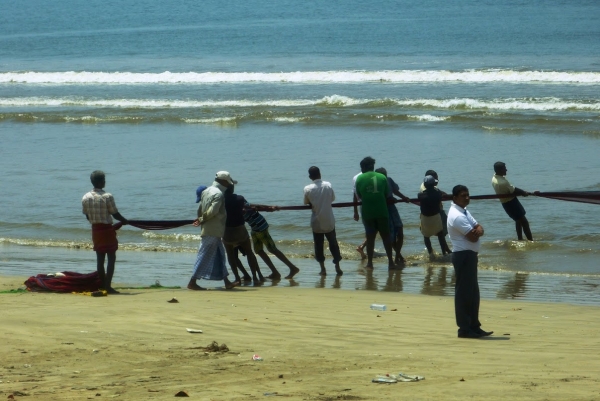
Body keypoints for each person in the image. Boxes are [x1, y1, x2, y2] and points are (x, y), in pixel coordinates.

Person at [447, 184, 493, 339]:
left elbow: (479, 228)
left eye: (468, 195)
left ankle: (474, 325)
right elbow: (472, 235)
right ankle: (464, 329)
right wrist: (477, 231)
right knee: (464, 293)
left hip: (470, 254)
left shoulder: (464, 211)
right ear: (455, 198)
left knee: (473, 293)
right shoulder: (457, 215)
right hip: (463, 255)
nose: (467, 198)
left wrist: (478, 230)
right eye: (463, 196)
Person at [188, 171, 238, 291]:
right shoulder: (219, 194)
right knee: (204, 255)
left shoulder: (206, 191)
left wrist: (200, 220)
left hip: (209, 229)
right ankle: (192, 282)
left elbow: (200, 209)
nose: (228, 185)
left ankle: (227, 282)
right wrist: (201, 219)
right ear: (223, 181)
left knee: (220, 255)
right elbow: (213, 211)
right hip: (213, 230)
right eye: (228, 182)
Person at [82, 170, 129, 294]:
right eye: (104, 180)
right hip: (107, 230)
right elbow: (115, 214)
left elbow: (87, 216)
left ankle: (103, 285)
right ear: (101, 182)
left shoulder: (86, 197)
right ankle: (108, 286)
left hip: (96, 231)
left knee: (100, 258)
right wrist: (125, 220)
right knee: (111, 258)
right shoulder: (107, 196)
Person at [354, 157, 395, 270]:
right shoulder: (382, 177)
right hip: (382, 211)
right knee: (386, 237)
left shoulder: (359, 178)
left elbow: (359, 195)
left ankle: (370, 264)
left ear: (365, 167)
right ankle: (391, 263)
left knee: (370, 237)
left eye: (362, 167)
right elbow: (387, 194)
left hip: (368, 212)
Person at [243, 201, 300, 280]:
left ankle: (292, 268)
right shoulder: (236, 201)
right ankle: (275, 272)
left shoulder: (238, 200)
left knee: (272, 249)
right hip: (254, 227)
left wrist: (268, 207)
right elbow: (255, 207)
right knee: (258, 250)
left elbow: (256, 206)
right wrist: (268, 208)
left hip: (260, 226)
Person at [304, 166, 343, 276]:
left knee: (318, 245)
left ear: (310, 176)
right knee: (333, 244)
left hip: (317, 221)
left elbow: (306, 202)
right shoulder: (328, 185)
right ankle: (337, 266)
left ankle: (323, 269)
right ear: (320, 174)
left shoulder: (307, 189)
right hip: (329, 220)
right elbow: (332, 198)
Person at [223, 184, 265, 285]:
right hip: (240, 229)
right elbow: (246, 207)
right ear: (233, 189)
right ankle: (255, 277)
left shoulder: (221, 200)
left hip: (227, 230)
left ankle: (237, 278)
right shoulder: (240, 198)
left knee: (231, 255)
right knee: (249, 253)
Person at [375, 167, 410, 264]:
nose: (384, 177)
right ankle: (398, 257)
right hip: (384, 209)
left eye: (385, 175)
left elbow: (395, 190)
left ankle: (398, 255)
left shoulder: (389, 180)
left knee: (400, 231)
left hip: (392, 208)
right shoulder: (376, 184)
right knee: (391, 235)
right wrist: (388, 200)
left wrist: (404, 198)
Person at [491, 162, 533, 241]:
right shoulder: (502, 182)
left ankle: (520, 239)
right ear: (500, 170)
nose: (506, 170)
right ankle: (531, 241)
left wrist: (523, 192)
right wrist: (524, 193)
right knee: (524, 222)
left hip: (506, 202)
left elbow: (511, 190)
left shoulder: (495, 178)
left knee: (518, 220)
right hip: (511, 203)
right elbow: (513, 191)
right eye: (504, 168)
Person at [418, 175, 451, 256]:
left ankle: (430, 253)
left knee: (426, 236)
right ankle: (444, 253)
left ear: (424, 185)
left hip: (425, 218)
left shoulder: (420, 195)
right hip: (435, 217)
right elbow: (442, 195)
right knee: (440, 235)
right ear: (434, 184)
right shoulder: (438, 194)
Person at [419, 169, 449, 237]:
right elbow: (441, 194)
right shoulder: (428, 189)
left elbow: (440, 192)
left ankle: (442, 247)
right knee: (442, 231)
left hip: (427, 213)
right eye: (436, 179)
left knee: (427, 233)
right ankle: (444, 247)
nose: (437, 181)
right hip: (435, 212)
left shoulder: (426, 185)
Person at [352, 171, 367, 259]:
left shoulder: (356, 177)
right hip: (370, 204)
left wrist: (355, 211)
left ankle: (366, 248)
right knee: (374, 228)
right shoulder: (370, 176)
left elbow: (355, 195)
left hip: (362, 205)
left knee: (368, 227)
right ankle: (362, 247)